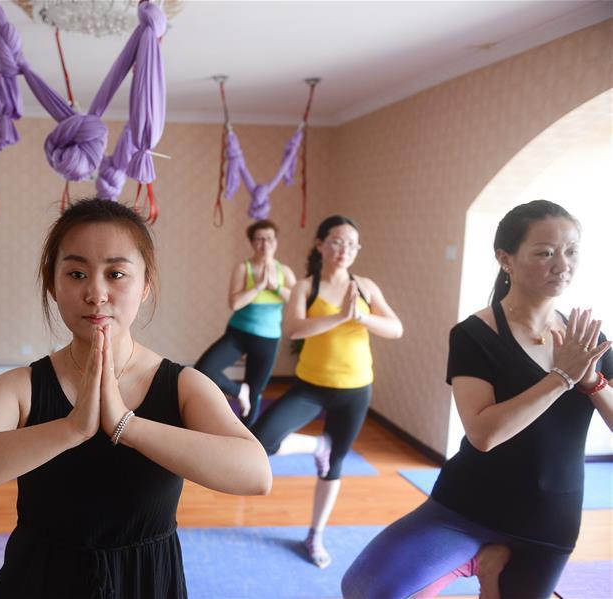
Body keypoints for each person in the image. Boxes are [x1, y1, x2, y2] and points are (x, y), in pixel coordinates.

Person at [0, 198, 272, 598]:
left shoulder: (184, 386)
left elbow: (256, 474)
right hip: (40, 580)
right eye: (76, 273)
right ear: (53, 285)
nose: (96, 292)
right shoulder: (20, 387)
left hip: (145, 583)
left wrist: (126, 423)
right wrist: (71, 429)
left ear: (145, 287)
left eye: (117, 273)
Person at [342, 200, 613, 598]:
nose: (562, 264)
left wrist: (591, 381)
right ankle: (482, 558)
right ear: (506, 259)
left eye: (571, 251)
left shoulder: (589, 341)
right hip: (466, 506)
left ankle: (490, 566)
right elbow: (484, 434)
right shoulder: (474, 334)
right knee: (364, 588)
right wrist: (561, 378)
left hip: (550, 519)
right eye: (545, 252)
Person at [250, 215, 403, 569]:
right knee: (261, 441)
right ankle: (317, 445)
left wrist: (362, 317)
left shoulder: (365, 286)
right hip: (310, 387)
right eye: (336, 241)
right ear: (320, 244)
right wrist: (340, 317)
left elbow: (395, 328)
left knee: (333, 468)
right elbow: (293, 329)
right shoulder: (307, 286)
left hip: (355, 389)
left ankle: (315, 535)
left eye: (351, 244)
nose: (344, 249)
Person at [194, 219, 297, 424]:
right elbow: (235, 303)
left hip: (267, 340)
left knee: (255, 392)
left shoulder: (284, 272)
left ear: (275, 242)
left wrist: (276, 287)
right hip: (238, 334)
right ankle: (239, 390)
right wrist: (258, 286)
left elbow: (296, 301)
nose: (264, 244)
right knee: (204, 370)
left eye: (269, 239)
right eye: (259, 239)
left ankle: (246, 437)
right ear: (252, 243)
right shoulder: (244, 268)